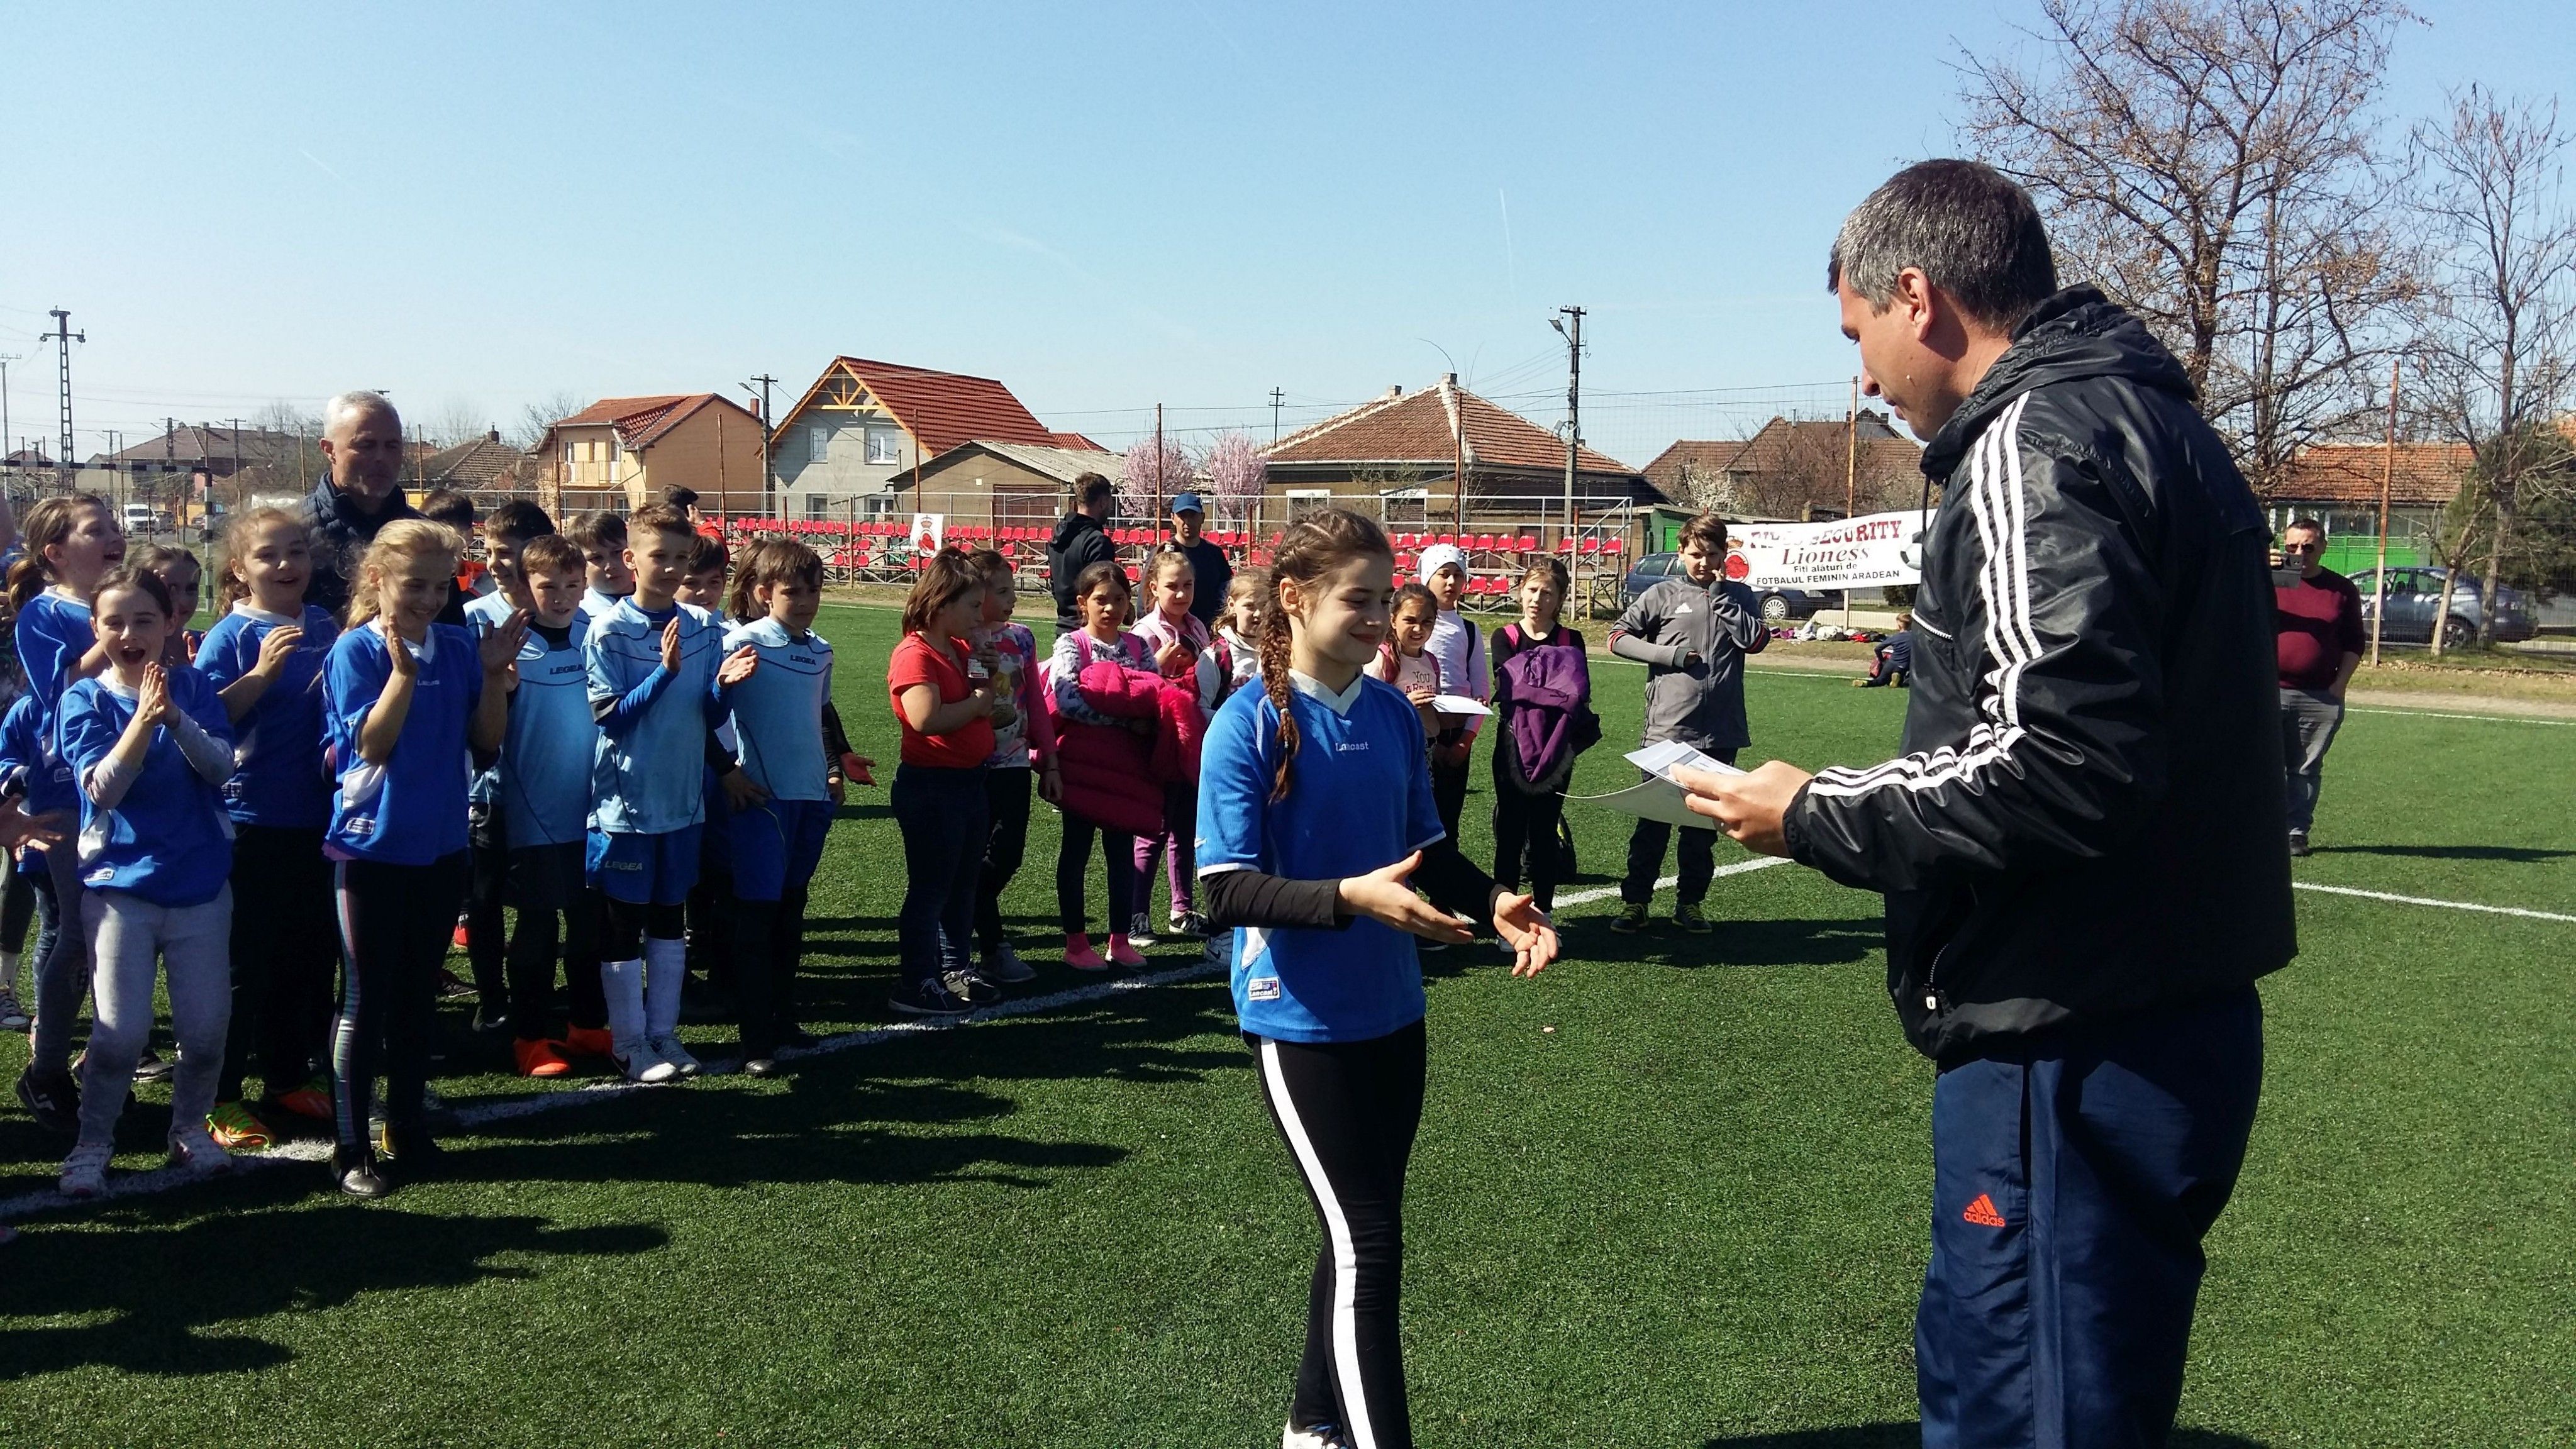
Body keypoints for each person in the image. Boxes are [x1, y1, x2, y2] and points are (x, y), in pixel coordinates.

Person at [1680, 159, 2293, 1449]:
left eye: (1856, 332)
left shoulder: (2036, 439)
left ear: (1917, 297)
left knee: (2025, 1404)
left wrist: (1812, 808)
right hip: (2159, 1009)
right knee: (2053, 1391)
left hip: (2069, 1029)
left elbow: (2060, 758)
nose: (1861, 378)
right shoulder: (2158, 423)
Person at [1195, 507, 1557, 1449]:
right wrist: (1349, 899)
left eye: (1382, 600)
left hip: (1393, 1008)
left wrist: (1497, 902)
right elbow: (1224, 890)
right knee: (1369, 1239)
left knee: (1361, 1228)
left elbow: (1426, 850)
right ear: (1294, 598)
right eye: (1357, 601)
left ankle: (1312, 1423)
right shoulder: (1245, 723)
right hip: (1299, 1018)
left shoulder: (1395, 714)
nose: (1377, 618)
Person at [321, 521, 519, 1197]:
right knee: (365, 1000)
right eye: (416, 585)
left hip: (441, 847)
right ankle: (350, 1148)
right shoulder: (356, 650)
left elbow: (486, 743)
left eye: (443, 586)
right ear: (378, 580)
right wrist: (403, 677)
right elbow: (371, 747)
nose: (432, 599)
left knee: (414, 998)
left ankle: (406, 1126)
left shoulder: (460, 645)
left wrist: (491, 677)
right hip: (370, 852)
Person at [54, 565, 240, 1196]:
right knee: (120, 1036)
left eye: (144, 620)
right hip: (119, 892)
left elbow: (221, 769)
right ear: (95, 628)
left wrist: (176, 719)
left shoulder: (194, 687)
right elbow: (103, 790)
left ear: (170, 624)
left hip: (200, 887)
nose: (130, 634)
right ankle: (92, 1142)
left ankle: (189, 1129)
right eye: (115, 622)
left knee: (206, 1031)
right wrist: (142, 722)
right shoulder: (84, 698)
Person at [586, 505, 757, 1082]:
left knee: (668, 919)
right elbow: (611, 718)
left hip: (684, 801)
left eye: (680, 557)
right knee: (622, 924)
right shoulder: (610, 629)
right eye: (659, 556)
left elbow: (708, 714)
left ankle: (663, 1035)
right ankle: (627, 1043)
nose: (671, 568)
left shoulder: (704, 627)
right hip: (628, 805)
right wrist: (664, 673)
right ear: (631, 559)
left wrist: (724, 688)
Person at [197, 508, 343, 1150]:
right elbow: (201, 725)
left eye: (296, 552)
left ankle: (285, 1079)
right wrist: (259, 676)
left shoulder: (325, 624)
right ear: (239, 569)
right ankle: (219, 1095)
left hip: (319, 821)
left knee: (306, 959)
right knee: (243, 965)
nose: (286, 565)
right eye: (268, 555)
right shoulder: (229, 636)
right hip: (251, 823)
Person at [10, 494, 125, 1131]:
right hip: (65, 793)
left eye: (113, 526)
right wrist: (115, 634)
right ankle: (46, 1068)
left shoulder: (122, 599)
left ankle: (102, 1058)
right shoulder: (44, 613)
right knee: (77, 934)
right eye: (95, 530)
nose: (112, 536)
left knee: (125, 933)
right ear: (55, 553)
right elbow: (59, 695)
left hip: (132, 786)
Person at [1606, 508, 1767, 935]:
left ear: (1724, 555)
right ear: (1681, 552)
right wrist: (1670, 656)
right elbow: (1617, 638)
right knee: (1653, 824)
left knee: (1702, 828)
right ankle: (1637, 902)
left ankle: (1690, 903)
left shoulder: (1740, 595)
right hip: (1668, 731)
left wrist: (1722, 598)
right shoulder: (1661, 594)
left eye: (1712, 555)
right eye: (1696, 554)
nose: (1704, 563)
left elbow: (1756, 641)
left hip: (1721, 732)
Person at [718, 538, 838, 1074]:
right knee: (757, 918)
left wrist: (832, 769)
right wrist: (728, 772)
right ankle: (755, 1040)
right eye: (793, 591)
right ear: (765, 593)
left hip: (810, 797)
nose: (806, 601)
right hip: (764, 801)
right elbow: (709, 711)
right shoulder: (743, 643)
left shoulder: (821, 650)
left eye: (814, 590)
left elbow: (819, 716)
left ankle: (784, 1018)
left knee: (791, 913)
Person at [460, 499, 559, 1033]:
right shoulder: (475, 617)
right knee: (486, 896)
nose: (495, 563)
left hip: (553, 789)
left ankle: (535, 1001)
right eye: (490, 551)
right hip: (491, 788)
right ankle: (491, 997)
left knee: (542, 902)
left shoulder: (569, 614)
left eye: (507, 552)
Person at [886, 549, 998, 1018]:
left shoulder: (960, 649)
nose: (979, 615)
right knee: (931, 889)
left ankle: (955, 968)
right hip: (933, 787)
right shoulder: (915, 653)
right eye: (972, 606)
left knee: (962, 885)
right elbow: (925, 718)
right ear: (942, 603)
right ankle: (917, 981)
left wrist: (989, 674)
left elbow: (989, 702)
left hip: (968, 784)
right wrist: (979, 702)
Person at [1048, 560, 1157, 973]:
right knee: (1076, 851)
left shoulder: (1139, 647)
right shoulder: (1071, 644)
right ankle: (1076, 943)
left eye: (1118, 599)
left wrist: (1138, 715)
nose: (1110, 608)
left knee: (1121, 854)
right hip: (1081, 767)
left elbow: (1155, 695)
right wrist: (1125, 718)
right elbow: (1067, 700)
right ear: (1082, 603)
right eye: (1100, 600)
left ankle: (1119, 940)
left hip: (1127, 769)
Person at [965, 547, 1058, 989]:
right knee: (971, 856)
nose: (1012, 598)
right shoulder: (960, 640)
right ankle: (992, 947)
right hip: (971, 766)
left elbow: (1035, 700)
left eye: (1010, 589)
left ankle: (964, 914)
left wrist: (1050, 760)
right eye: (1001, 592)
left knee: (1008, 855)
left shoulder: (1021, 638)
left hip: (1015, 764)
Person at [1488, 555, 1592, 918]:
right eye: (1532, 590)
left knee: (1546, 832)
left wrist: (1535, 683)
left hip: (1557, 748)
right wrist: (1553, 684)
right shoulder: (1505, 636)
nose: (1537, 599)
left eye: (1547, 593)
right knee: (1511, 831)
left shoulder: (1572, 638)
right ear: (1521, 591)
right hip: (1513, 745)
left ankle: (1545, 914)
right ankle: (1507, 918)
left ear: (1560, 598)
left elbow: (1577, 692)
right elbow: (1510, 688)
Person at [1128, 547, 1216, 943]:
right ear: (1153, 588)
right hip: (1157, 741)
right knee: (1153, 828)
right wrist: (1158, 665)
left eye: (1188, 585)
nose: (1181, 594)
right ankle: (1136, 914)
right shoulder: (1145, 633)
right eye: (1172, 586)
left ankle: (1181, 909)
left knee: (1186, 829)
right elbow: (1130, 687)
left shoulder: (1198, 628)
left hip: (1191, 741)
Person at [2273, 519, 2362, 857]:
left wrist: (2339, 686)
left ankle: (2295, 833)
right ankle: (2255, 831)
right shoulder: (2269, 581)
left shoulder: (2340, 589)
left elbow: (2354, 642)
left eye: (2308, 546)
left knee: (2305, 769)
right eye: (2292, 546)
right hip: (2268, 692)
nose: (2300, 553)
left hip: (2319, 696)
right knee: (2257, 765)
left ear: (2323, 547)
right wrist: (2256, 567)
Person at [300, 391, 425, 621]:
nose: (381, 457)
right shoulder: (291, 536)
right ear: (329, 450)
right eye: (366, 445)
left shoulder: (426, 536)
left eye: (392, 446)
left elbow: (449, 626)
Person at [1413, 545, 1487, 849]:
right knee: (1415, 824)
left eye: (1458, 575)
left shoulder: (1469, 630)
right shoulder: (1410, 626)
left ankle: (1446, 879)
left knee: (1449, 823)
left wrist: (1465, 741)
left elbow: (1480, 690)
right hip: (1418, 736)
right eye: (1443, 574)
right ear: (1427, 577)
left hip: (1456, 737)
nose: (1451, 582)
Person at [1045, 472, 1119, 636]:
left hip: (1063, 627)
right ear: (1103, 502)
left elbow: (1054, 585)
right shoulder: (1097, 542)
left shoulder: (1058, 536)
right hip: (1088, 631)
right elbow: (1103, 590)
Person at [1169, 491, 1231, 629]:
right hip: (1173, 632)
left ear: (1202, 518)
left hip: (1209, 631)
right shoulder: (1164, 553)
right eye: (1182, 516)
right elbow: (1146, 601)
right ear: (1173, 518)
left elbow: (1228, 591)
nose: (1187, 522)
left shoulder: (1215, 554)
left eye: (1192, 516)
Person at [417, 489, 479, 627]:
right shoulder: (413, 589)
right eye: (429, 536)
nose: (438, 545)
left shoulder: (488, 585)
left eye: (447, 536)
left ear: (469, 536)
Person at [569, 512, 634, 622]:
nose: (610, 566)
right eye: (597, 558)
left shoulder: (658, 604)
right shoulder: (575, 615)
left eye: (617, 552)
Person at [1853, 610, 1914, 687]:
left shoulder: (1895, 637)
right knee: (1903, 681)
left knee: (1880, 681)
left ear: (1899, 626)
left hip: (1890, 664)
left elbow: (1878, 649)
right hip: (1903, 666)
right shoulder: (1915, 637)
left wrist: (1882, 660)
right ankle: (1897, 677)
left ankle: (1865, 683)